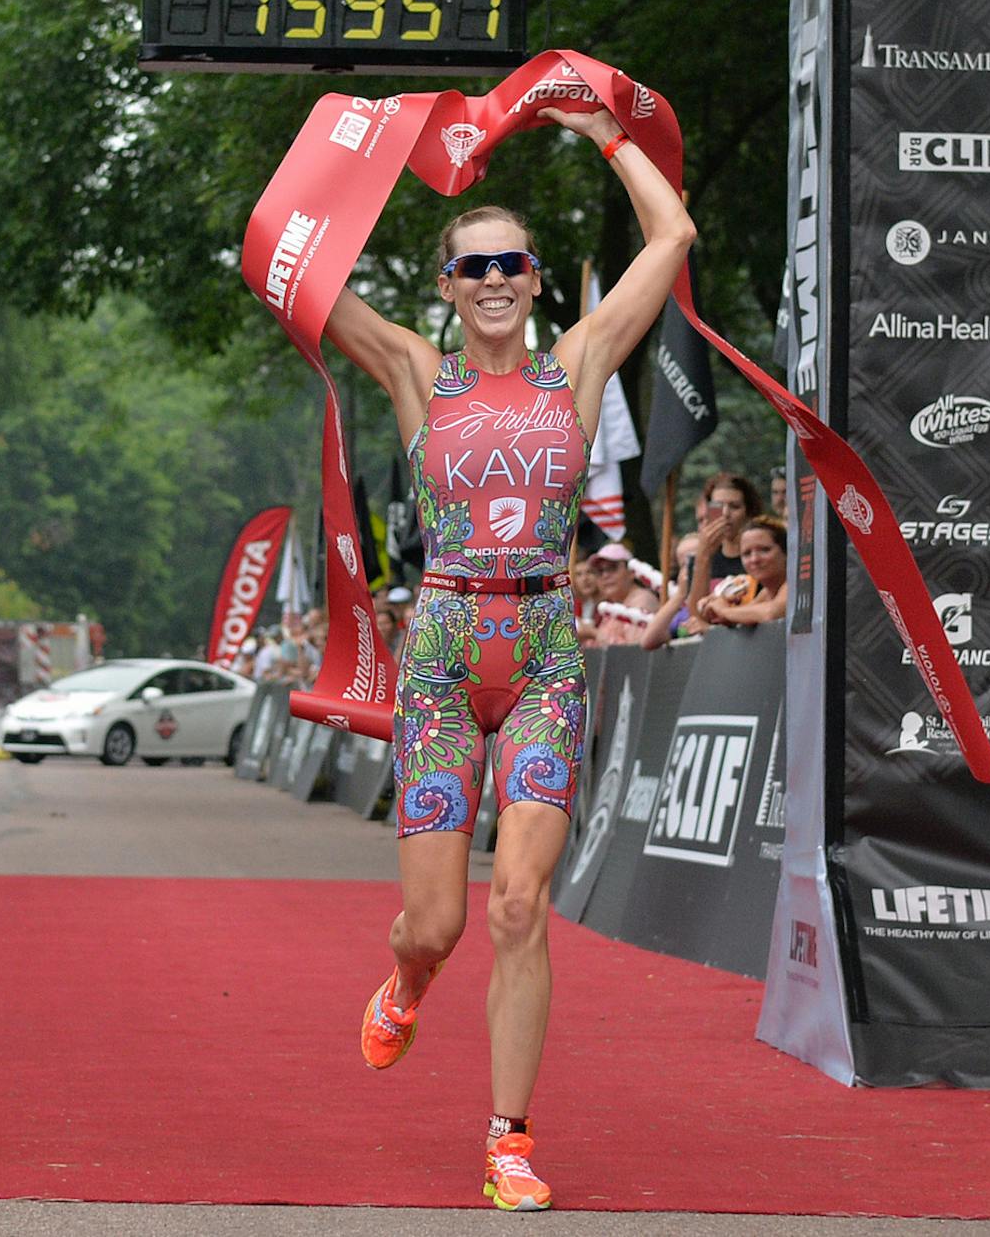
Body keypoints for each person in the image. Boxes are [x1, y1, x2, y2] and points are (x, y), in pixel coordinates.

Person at [322, 102, 694, 1212]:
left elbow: (671, 238)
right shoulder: (409, 369)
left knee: (520, 908)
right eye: (471, 266)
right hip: (440, 656)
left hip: (543, 653)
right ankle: (406, 978)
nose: (492, 280)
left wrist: (604, 129)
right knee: (436, 925)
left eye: (511, 264)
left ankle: (510, 1139)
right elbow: (286, 259)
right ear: (445, 285)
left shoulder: (577, 365)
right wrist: (364, 146)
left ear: (535, 280)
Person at [692, 517, 789, 626]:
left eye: (764, 550)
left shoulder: (795, 583)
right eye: (747, 553)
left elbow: (771, 613)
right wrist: (714, 606)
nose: (754, 559)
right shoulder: (766, 593)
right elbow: (746, 615)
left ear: (786, 552)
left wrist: (723, 610)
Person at [694, 472, 758, 581]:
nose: (725, 513)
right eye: (717, 506)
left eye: (734, 507)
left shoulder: (757, 559)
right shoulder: (700, 558)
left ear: (748, 512)